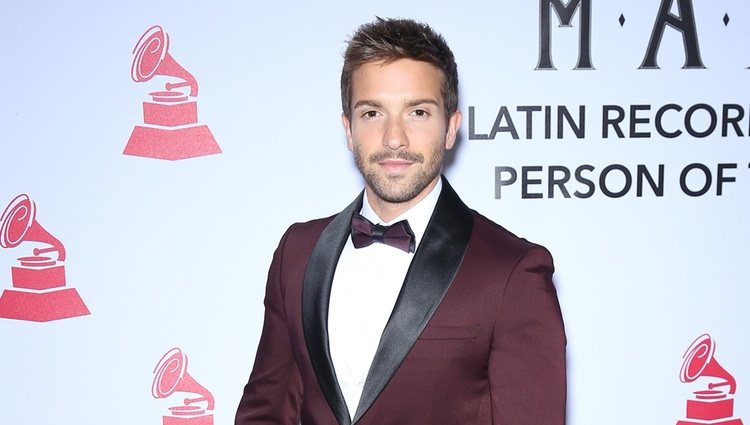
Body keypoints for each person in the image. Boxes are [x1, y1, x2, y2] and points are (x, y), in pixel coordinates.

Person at [235, 17, 566, 425]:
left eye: (418, 113)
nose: (395, 138)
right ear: (349, 129)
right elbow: (266, 412)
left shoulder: (511, 271)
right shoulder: (298, 253)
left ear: (451, 128)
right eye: (373, 112)